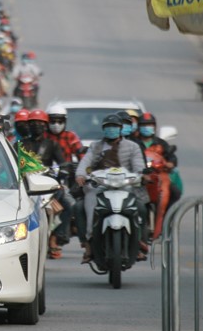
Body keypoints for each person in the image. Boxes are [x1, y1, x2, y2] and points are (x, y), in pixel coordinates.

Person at [74, 114, 147, 264]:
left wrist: (142, 175)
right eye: (108, 127)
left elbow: (139, 166)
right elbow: (85, 162)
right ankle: (88, 242)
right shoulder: (96, 146)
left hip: (125, 185)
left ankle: (139, 243)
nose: (111, 130)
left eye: (114, 127)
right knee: (80, 207)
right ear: (103, 129)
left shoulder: (133, 147)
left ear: (120, 129)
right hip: (100, 184)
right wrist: (81, 175)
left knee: (140, 207)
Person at [23, 109, 72, 259]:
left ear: (45, 126)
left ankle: (55, 238)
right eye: (33, 123)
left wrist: (64, 170)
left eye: (40, 123)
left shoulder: (52, 144)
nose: (36, 126)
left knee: (69, 205)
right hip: (26, 185)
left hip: (47, 184)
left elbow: (63, 163)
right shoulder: (21, 144)